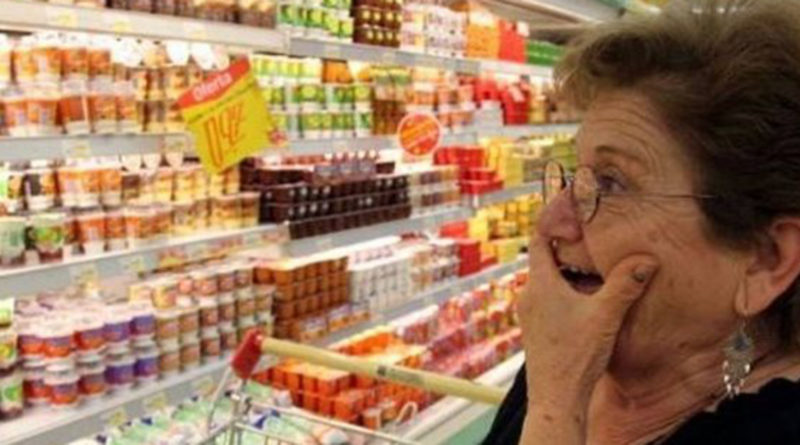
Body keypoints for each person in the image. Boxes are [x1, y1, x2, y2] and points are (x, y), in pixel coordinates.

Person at [483, 0, 800, 443]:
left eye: (610, 184)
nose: (552, 223)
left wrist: (556, 410)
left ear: (765, 260)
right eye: (576, 176)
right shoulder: (570, 359)